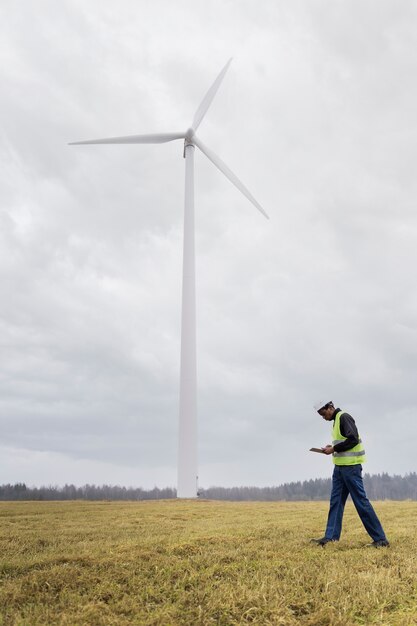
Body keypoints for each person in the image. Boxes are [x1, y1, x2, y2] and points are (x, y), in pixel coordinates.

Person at [310, 400, 389, 548]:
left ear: (330, 407)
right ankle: (331, 537)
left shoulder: (344, 417)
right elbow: (344, 442)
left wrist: (333, 449)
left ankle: (381, 539)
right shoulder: (336, 421)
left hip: (351, 469)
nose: (323, 417)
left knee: (361, 502)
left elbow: (353, 439)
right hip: (339, 469)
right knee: (336, 503)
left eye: (323, 413)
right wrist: (332, 447)